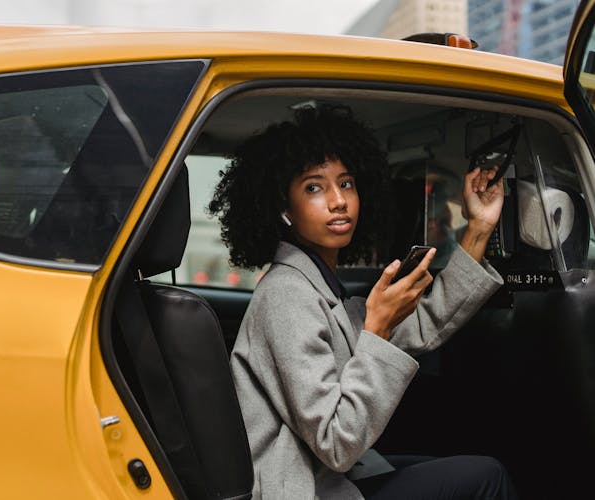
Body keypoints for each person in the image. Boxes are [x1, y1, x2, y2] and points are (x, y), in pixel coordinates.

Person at [208, 105, 516, 499]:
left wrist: (479, 228)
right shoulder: (286, 295)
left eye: (347, 183)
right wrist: (377, 329)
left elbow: (424, 326)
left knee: (447, 463)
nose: (338, 201)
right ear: (284, 209)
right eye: (314, 187)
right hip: (305, 487)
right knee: (486, 475)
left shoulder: (320, 286)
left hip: (337, 475)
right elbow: (337, 443)